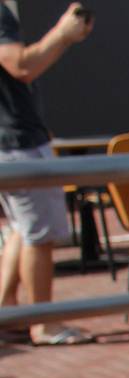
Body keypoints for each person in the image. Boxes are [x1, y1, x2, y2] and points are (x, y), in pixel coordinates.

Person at [0, 1, 94, 346]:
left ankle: (7, 314)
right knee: (39, 237)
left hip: (13, 141)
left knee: (22, 230)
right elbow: (21, 65)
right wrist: (62, 34)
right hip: (17, 144)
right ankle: (43, 324)